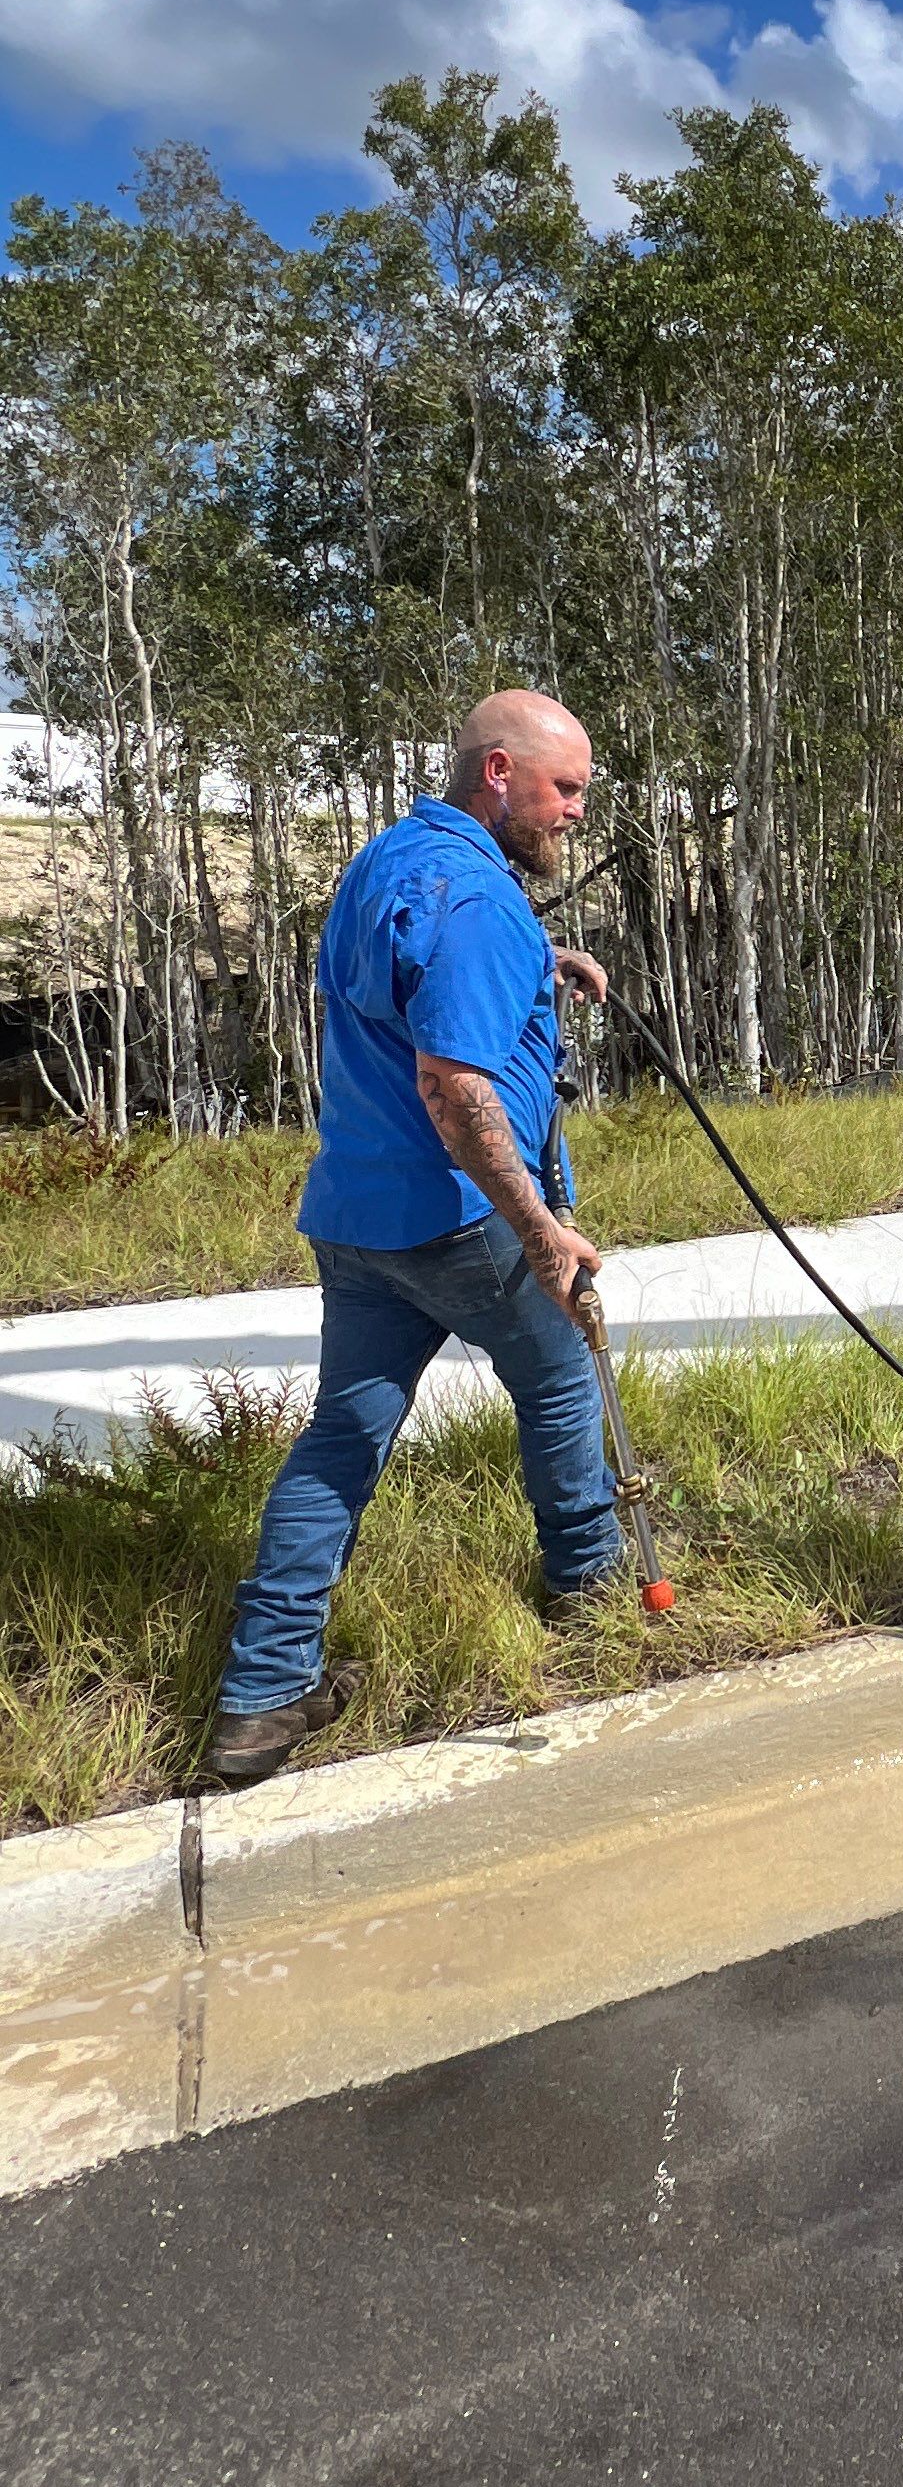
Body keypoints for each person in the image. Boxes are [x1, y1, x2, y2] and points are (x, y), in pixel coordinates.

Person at [209, 690, 624, 1789]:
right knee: (562, 1382)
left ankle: (262, 1694)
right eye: (565, 788)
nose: (578, 810)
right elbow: (451, 1083)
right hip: (460, 1218)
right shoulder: (481, 902)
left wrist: (539, 964)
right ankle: (596, 1600)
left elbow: (408, 986)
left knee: (340, 1442)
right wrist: (538, 1228)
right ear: (497, 772)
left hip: (356, 1216)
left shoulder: (390, 859)